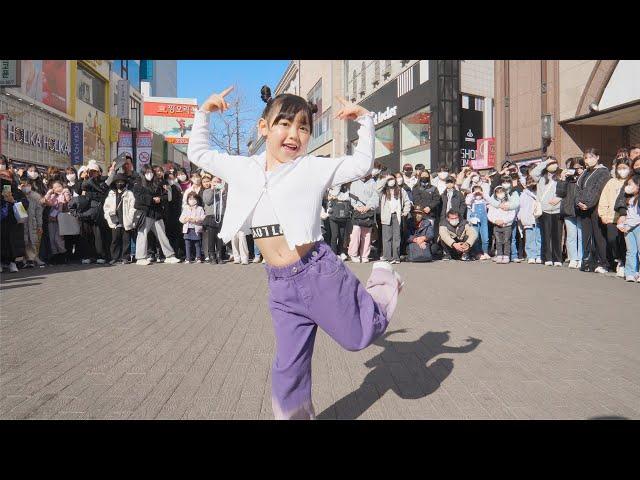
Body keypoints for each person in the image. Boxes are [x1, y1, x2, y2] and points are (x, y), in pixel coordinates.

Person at [187, 84, 402, 420]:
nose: (294, 134)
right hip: (280, 284)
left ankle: (384, 283)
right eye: (284, 124)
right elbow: (199, 154)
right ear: (264, 128)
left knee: (359, 337)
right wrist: (203, 114)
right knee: (289, 366)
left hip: (317, 272)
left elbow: (361, 165)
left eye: (303, 127)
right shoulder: (243, 169)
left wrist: (365, 120)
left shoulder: (312, 168)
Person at [132, 165, 181, 265]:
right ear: (143, 173)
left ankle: (169, 255)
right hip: (145, 212)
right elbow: (138, 198)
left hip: (157, 213)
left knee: (162, 234)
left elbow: (166, 195)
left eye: (150, 172)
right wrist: (152, 199)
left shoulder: (158, 183)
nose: (149, 174)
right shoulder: (138, 184)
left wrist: (160, 199)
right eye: (147, 172)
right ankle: (140, 257)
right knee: (142, 234)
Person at [575, 148, 611, 273]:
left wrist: (589, 204)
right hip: (583, 208)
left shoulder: (603, 172)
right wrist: (578, 202)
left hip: (596, 208)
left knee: (598, 235)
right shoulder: (585, 172)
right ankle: (588, 262)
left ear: (597, 157)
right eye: (586, 158)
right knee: (586, 236)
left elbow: (598, 189)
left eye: (590, 157)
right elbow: (578, 188)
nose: (588, 160)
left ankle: (603, 263)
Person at [599, 158, 630, 277]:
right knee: (612, 239)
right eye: (620, 168)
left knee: (624, 242)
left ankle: (623, 262)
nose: (622, 170)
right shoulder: (611, 182)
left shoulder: (632, 181)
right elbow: (604, 199)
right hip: (612, 218)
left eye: (625, 168)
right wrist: (603, 214)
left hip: (627, 218)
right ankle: (618, 258)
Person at [530, 156, 563, 267]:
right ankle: (547, 258)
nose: (551, 165)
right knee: (545, 235)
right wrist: (545, 162)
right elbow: (533, 173)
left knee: (557, 235)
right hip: (544, 210)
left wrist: (559, 199)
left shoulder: (560, 175)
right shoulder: (541, 177)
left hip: (557, 209)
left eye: (553, 162)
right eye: (550, 163)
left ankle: (557, 258)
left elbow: (565, 190)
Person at [556, 157, 585, 269]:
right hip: (568, 209)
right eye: (574, 168)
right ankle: (573, 258)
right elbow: (560, 193)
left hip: (580, 209)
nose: (577, 170)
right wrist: (563, 179)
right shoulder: (567, 179)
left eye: (580, 168)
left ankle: (581, 258)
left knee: (581, 235)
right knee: (571, 235)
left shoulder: (585, 177)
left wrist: (580, 176)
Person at [376, 174, 411, 263]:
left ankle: (396, 257)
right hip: (386, 216)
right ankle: (388, 257)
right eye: (390, 179)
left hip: (397, 215)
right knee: (387, 238)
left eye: (392, 179)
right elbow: (377, 188)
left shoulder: (400, 190)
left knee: (397, 237)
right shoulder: (383, 191)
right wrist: (385, 179)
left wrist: (406, 211)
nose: (391, 181)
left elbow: (407, 201)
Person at [103, 173, 136, 265]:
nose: (120, 183)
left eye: (121, 181)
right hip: (115, 221)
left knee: (126, 240)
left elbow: (132, 207)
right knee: (115, 240)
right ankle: (114, 257)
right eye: (118, 182)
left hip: (125, 220)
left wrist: (130, 218)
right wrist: (108, 216)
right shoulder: (111, 194)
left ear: (125, 183)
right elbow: (106, 207)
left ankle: (125, 257)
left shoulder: (129, 194)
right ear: (114, 183)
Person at [1, 168, 28, 273]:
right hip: (1, 220)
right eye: (2, 176)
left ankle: (12, 262)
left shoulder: (17, 191)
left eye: (7, 176)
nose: (5, 179)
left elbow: (25, 204)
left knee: (12, 242)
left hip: (13, 221)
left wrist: (14, 201)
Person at [348, 173, 379, 263]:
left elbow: (375, 197)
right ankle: (353, 254)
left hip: (369, 210)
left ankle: (365, 255)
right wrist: (357, 207)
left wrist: (368, 207)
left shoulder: (373, 182)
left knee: (367, 234)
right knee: (356, 233)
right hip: (357, 210)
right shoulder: (354, 183)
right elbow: (351, 197)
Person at [615, 174, 640, 282]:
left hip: (636, 226)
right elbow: (627, 215)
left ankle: (638, 272)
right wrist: (623, 224)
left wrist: (628, 225)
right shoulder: (628, 198)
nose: (627, 187)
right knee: (630, 251)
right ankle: (630, 272)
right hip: (628, 228)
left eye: (630, 184)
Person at [18, 178, 45, 268]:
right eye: (23, 185)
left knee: (34, 240)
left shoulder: (35, 197)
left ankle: (34, 258)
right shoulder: (18, 195)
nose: (26, 187)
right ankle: (25, 259)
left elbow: (39, 213)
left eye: (28, 185)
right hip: (22, 223)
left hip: (33, 222)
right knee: (24, 241)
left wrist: (40, 225)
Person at [43, 180, 71, 264]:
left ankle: (63, 255)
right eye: (54, 187)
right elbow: (45, 202)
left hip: (61, 220)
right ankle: (55, 256)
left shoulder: (65, 193)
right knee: (52, 239)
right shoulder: (52, 196)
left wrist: (66, 192)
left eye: (59, 186)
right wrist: (48, 193)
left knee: (58, 239)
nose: (57, 189)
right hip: (51, 220)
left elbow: (68, 200)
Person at [487, 186, 517, 264]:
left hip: (507, 225)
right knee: (498, 241)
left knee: (506, 241)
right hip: (496, 225)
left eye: (501, 192)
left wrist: (504, 221)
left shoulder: (509, 202)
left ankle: (506, 256)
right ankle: (499, 255)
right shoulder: (493, 203)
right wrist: (495, 221)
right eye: (498, 192)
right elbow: (490, 214)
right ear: (495, 194)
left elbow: (512, 214)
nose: (500, 194)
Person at [202, 175, 227, 264]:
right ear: (211, 183)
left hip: (220, 216)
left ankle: (219, 256)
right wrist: (212, 190)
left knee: (219, 238)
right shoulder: (206, 191)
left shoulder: (223, 192)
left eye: (218, 182)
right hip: (211, 217)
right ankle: (212, 256)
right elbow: (208, 201)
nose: (216, 183)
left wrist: (223, 193)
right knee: (211, 238)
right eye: (214, 182)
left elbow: (225, 204)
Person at [518, 177, 542, 264]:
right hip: (528, 219)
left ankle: (539, 255)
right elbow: (521, 207)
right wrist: (522, 218)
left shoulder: (540, 192)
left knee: (538, 238)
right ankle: (531, 255)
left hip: (538, 218)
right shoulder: (524, 194)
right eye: (529, 182)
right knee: (529, 239)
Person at [327, 182, 352, 260]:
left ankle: (341, 252)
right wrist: (337, 190)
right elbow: (330, 197)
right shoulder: (331, 188)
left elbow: (347, 197)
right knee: (335, 235)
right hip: (333, 215)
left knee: (342, 235)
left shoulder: (346, 189)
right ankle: (334, 253)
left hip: (343, 215)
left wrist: (337, 198)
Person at [465, 184, 491, 260]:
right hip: (474, 220)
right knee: (476, 237)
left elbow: (490, 200)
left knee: (485, 237)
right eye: (477, 193)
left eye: (479, 193)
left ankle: (485, 252)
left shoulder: (484, 201)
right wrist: (473, 193)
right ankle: (477, 253)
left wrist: (482, 193)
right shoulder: (472, 201)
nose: (478, 194)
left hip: (484, 220)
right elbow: (467, 201)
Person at [180, 191, 206, 264]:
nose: (192, 200)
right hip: (187, 229)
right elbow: (181, 219)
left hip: (196, 229)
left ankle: (198, 257)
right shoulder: (185, 208)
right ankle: (188, 258)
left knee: (197, 244)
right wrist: (185, 219)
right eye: (190, 199)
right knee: (187, 244)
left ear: (197, 200)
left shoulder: (200, 208)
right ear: (187, 200)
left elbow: (203, 217)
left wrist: (196, 219)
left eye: (193, 198)